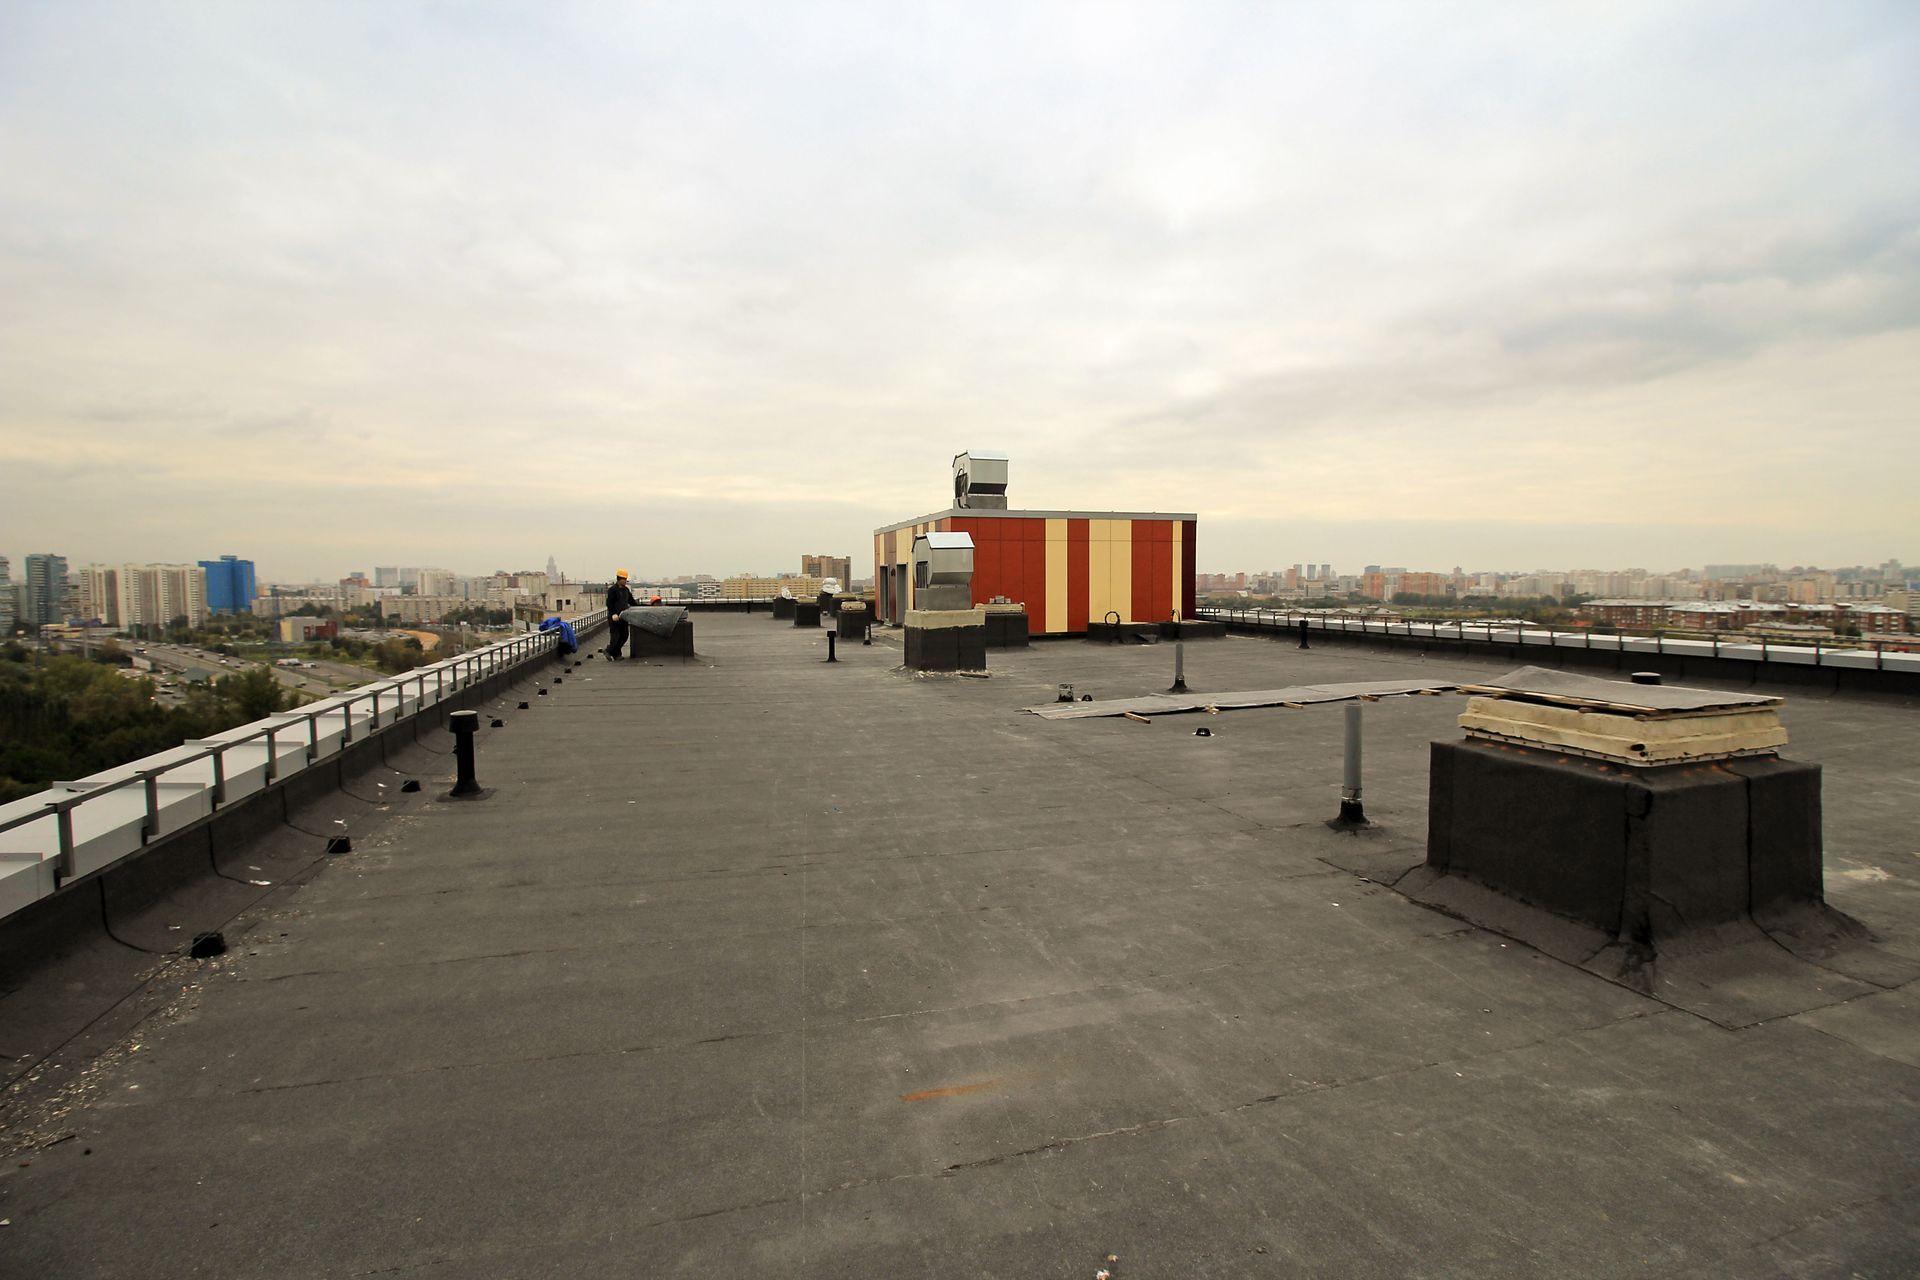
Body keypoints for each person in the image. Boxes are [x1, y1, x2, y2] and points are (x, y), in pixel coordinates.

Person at [605, 569, 637, 659]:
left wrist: (641, 607)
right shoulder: (613, 590)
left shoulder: (626, 590)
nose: (625, 581)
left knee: (624, 635)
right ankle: (614, 653)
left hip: (623, 616)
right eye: (624, 579)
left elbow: (632, 601)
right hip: (615, 617)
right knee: (616, 636)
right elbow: (609, 603)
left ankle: (611, 651)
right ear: (619, 579)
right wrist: (613, 614)